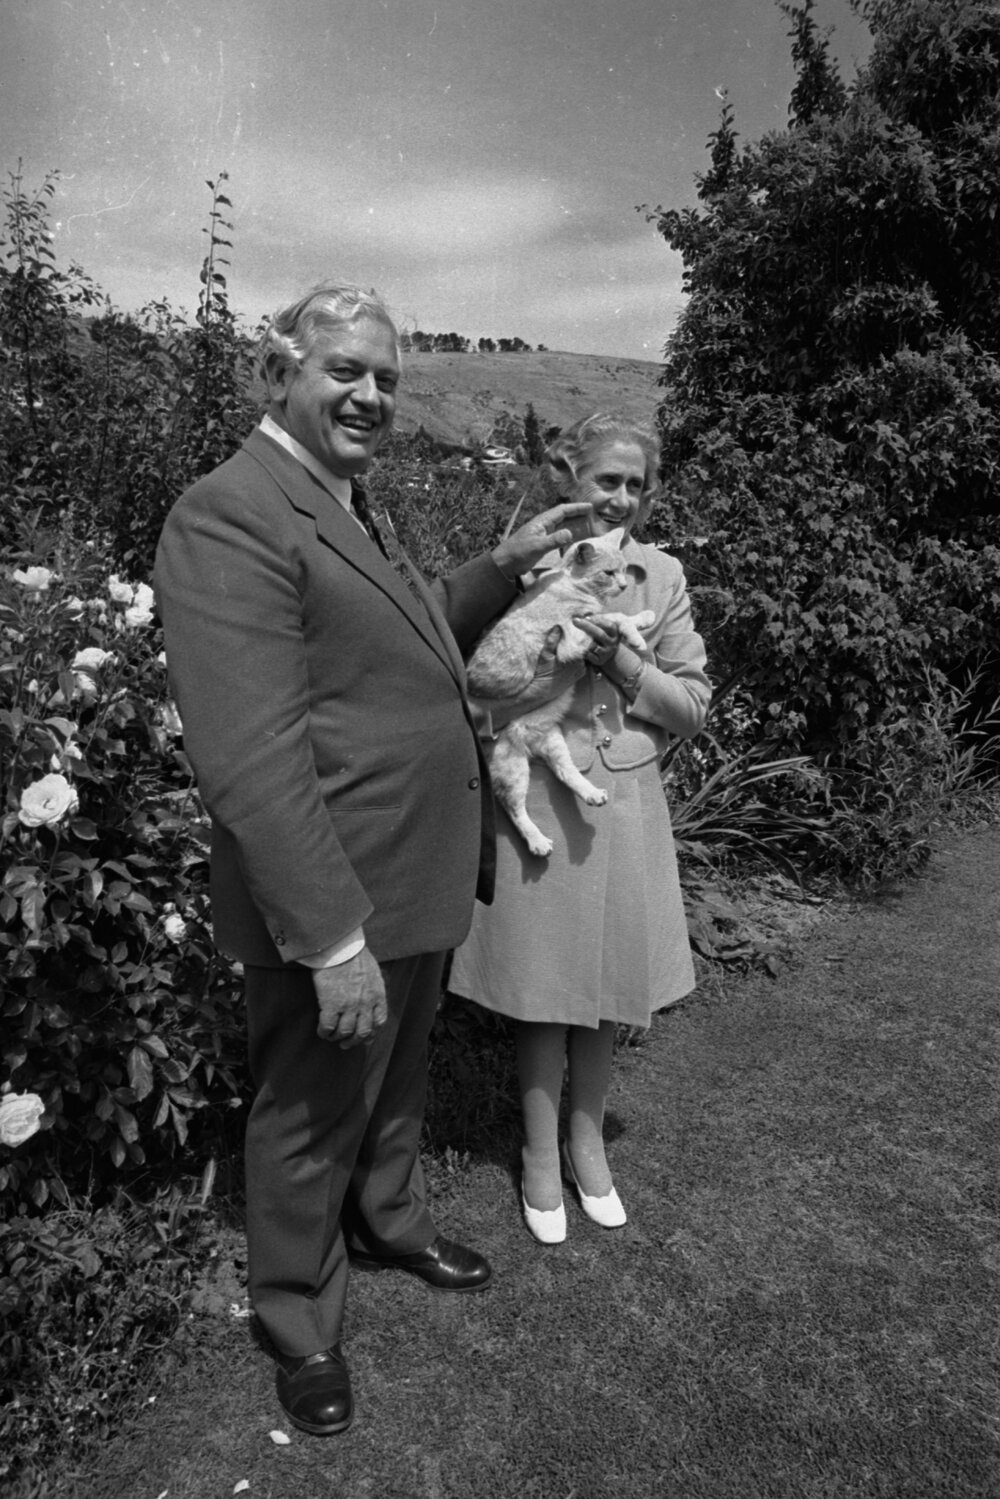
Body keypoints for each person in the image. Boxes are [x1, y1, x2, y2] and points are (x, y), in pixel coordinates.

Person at [153, 282, 589, 1437]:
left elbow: (404, 640)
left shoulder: (343, 501)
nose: (372, 394)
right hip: (335, 896)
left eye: (388, 377)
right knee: (307, 1109)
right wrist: (331, 933)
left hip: (415, 874)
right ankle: (295, 1314)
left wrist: (499, 566)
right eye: (347, 369)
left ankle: (388, 1218)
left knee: (394, 1083)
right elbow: (249, 756)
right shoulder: (230, 512)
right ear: (277, 372)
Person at [448, 413, 712, 1245]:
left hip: (623, 800)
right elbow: (481, 675)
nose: (623, 499)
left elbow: (691, 707)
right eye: (607, 481)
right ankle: (535, 1151)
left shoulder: (663, 575)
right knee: (544, 983)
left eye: (637, 485)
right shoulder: (533, 563)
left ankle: (587, 1141)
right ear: (570, 478)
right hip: (542, 789)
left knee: (604, 988)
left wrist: (621, 661)